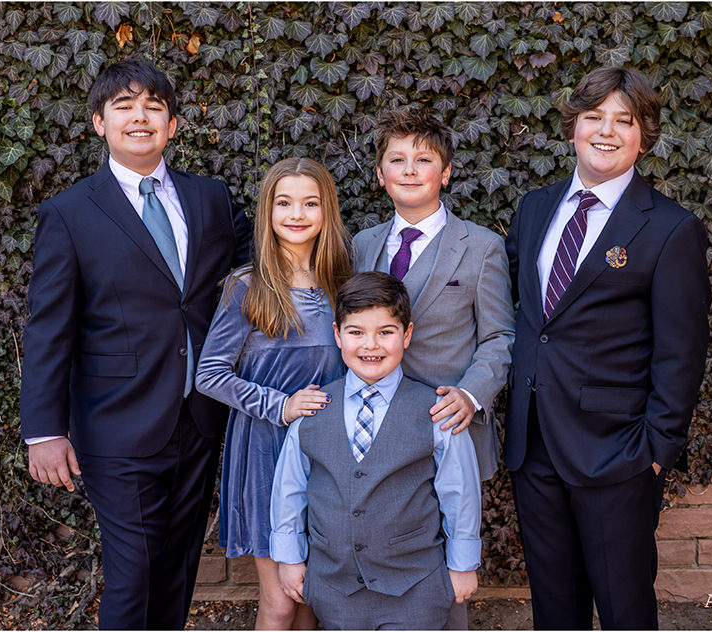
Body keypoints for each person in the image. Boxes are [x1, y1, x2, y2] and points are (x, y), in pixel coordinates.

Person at [20, 57, 251, 629]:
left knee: (177, 567)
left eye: (154, 106)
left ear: (173, 124)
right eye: (124, 106)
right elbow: (48, 326)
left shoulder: (211, 198)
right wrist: (44, 431)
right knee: (134, 572)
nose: (140, 117)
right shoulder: (70, 213)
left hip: (199, 416)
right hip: (115, 422)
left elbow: (261, 265)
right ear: (100, 123)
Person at [504, 66, 711, 630]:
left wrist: (655, 449)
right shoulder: (534, 208)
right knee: (554, 610)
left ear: (644, 136)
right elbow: (528, 317)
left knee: (624, 610)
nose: (606, 131)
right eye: (594, 117)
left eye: (625, 120)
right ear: (573, 127)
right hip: (534, 444)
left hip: (617, 451)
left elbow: (682, 351)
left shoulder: (670, 228)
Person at [352, 109, 514, 628]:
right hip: (373, 430)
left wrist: (471, 395)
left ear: (445, 173)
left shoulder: (482, 246)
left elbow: (499, 336)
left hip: (447, 427)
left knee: (444, 570)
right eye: (396, 159)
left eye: (423, 160)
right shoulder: (363, 244)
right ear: (380, 175)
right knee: (374, 550)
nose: (409, 169)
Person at [270, 271, 482, 630]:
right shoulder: (312, 409)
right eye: (356, 332)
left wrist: (462, 565)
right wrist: (289, 558)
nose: (371, 345)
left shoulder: (436, 411)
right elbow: (290, 488)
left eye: (385, 332)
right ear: (337, 335)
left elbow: (460, 492)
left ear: (407, 335)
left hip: (417, 587)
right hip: (334, 588)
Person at [194, 157, 351, 630]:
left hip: (328, 453)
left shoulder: (343, 283)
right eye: (284, 203)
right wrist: (280, 405)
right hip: (267, 450)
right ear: (268, 211)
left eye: (310, 203)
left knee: (314, 597)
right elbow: (209, 374)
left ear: (327, 211)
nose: (297, 214)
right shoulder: (247, 286)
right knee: (281, 599)